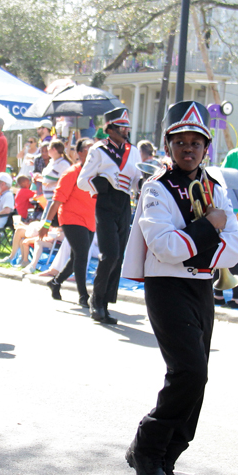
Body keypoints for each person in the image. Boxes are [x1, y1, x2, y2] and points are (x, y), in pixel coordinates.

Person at [121, 100, 238, 475]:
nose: (188, 149)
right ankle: (147, 450)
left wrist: (199, 247)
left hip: (199, 287)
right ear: (168, 146)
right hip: (166, 286)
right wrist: (210, 227)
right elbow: (165, 246)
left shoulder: (217, 186)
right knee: (187, 372)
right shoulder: (156, 187)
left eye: (196, 143)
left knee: (199, 379)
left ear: (206, 148)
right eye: (180, 143)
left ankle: (165, 460)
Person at [76, 107, 141, 324]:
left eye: (127, 127)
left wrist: (143, 183)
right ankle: (96, 300)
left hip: (124, 203)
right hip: (104, 202)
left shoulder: (133, 150)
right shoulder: (98, 150)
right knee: (109, 254)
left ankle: (104, 304)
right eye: (122, 127)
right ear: (110, 129)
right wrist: (100, 184)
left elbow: (136, 178)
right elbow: (82, 180)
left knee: (119, 256)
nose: (126, 131)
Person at [41, 137, 96, 307]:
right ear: (79, 153)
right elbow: (56, 201)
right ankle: (83, 295)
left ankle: (56, 282)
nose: (93, 152)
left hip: (90, 220)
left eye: (95, 149)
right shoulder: (71, 173)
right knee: (81, 254)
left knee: (76, 258)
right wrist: (45, 224)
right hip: (71, 218)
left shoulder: (98, 174)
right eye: (88, 149)